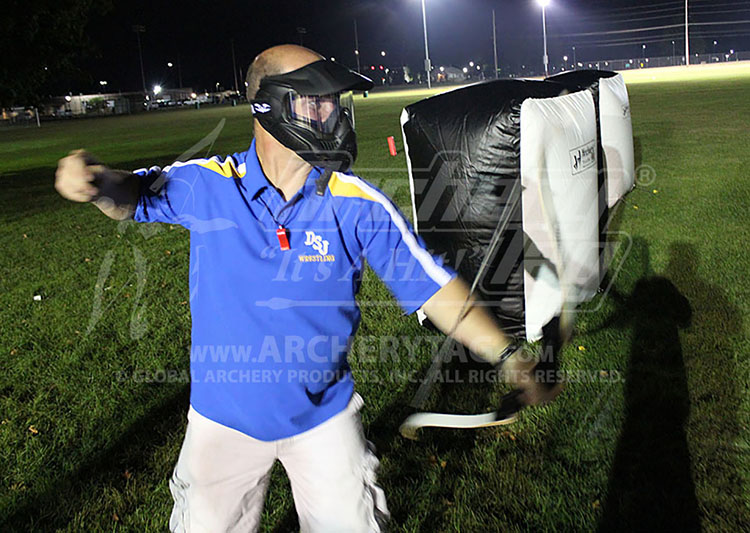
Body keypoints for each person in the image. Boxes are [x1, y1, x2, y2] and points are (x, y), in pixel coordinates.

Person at [54, 44, 560, 533]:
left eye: (334, 102)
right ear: (271, 107)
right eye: (317, 101)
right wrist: (97, 182)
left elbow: (434, 288)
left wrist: (510, 356)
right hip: (221, 424)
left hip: (325, 419)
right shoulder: (208, 184)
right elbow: (133, 195)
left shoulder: (356, 201)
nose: (335, 115)